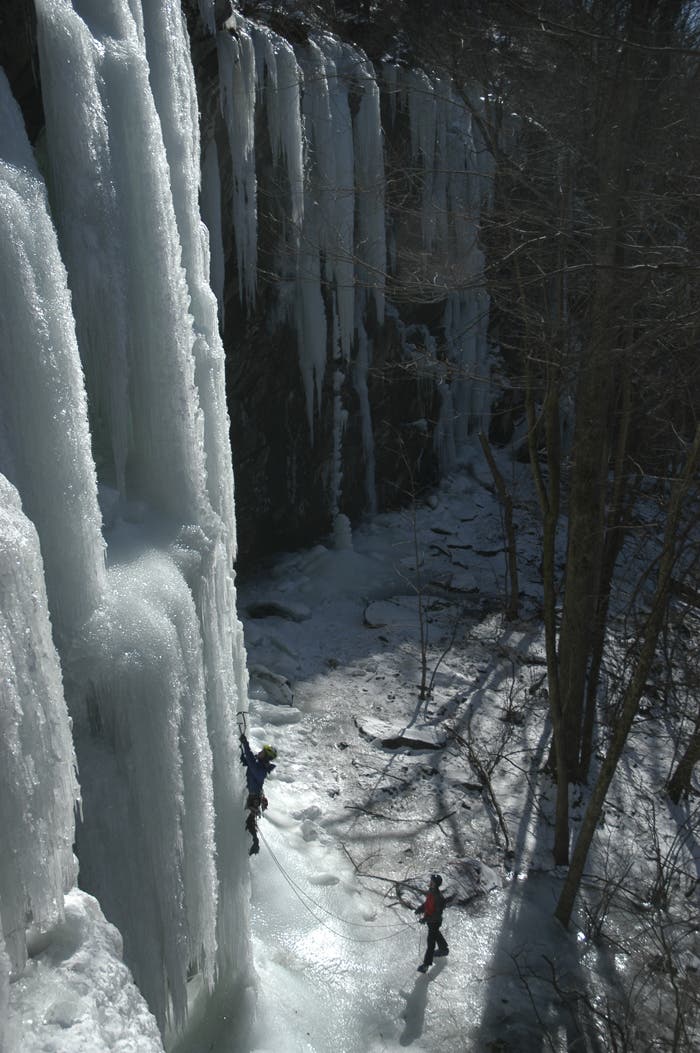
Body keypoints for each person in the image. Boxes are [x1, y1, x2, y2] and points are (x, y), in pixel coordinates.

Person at [239, 733, 277, 855]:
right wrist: (240, 749)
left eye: (263, 752)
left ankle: (255, 844)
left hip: (254, 799)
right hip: (253, 797)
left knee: (249, 823)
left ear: (265, 757)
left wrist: (245, 743)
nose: (260, 752)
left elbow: (250, 762)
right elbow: (246, 761)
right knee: (249, 822)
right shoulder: (258, 764)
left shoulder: (260, 770)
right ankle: (254, 844)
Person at [415, 873, 449, 972]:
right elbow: (427, 903)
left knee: (431, 944)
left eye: (432, 882)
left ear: (435, 884)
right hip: (430, 920)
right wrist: (420, 909)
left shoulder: (439, 898)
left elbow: (437, 914)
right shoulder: (431, 892)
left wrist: (425, 919)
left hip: (434, 921)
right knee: (436, 934)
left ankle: (426, 965)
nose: (430, 883)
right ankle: (443, 948)